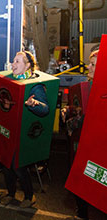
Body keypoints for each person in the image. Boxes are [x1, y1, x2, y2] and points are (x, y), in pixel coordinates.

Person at [0, 51, 49, 208]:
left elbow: (45, 109)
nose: (13, 64)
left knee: (17, 167)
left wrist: (35, 104)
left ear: (28, 65)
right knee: (5, 163)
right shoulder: (10, 80)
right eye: (13, 61)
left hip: (21, 134)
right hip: (5, 131)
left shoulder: (35, 85)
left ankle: (29, 196)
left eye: (17, 61)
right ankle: (10, 193)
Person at [62, 50, 99, 220]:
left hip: (97, 144)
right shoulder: (86, 85)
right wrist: (68, 110)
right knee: (79, 177)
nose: (88, 67)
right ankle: (81, 212)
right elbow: (79, 108)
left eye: (93, 64)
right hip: (81, 141)